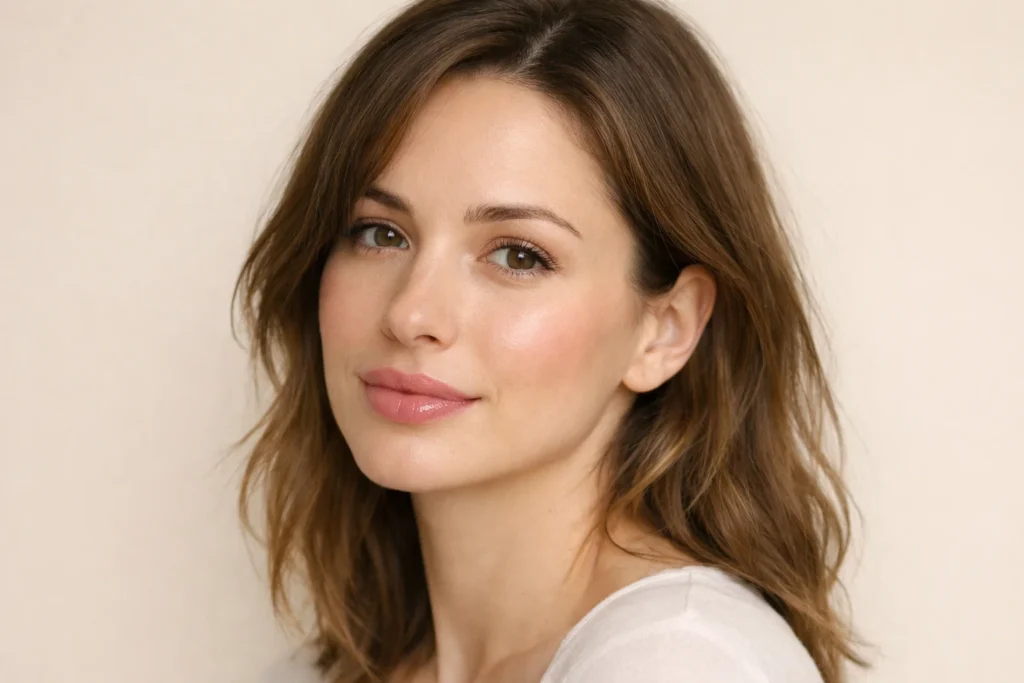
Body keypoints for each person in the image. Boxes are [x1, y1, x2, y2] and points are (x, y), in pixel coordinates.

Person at [234, 0, 863, 681]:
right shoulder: (330, 669)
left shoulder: (680, 664)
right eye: (380, 233)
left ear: (666, 328)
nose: (411, 312)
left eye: (517, 255)